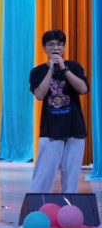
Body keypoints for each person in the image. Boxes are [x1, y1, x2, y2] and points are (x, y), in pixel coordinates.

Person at [29, 29, 89, 193]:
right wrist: (50, 70)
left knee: (71, 178)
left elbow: (83, 89)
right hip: (51, 130)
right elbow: (40, 95)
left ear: (64, 48)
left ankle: (68, 207)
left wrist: (64, 68)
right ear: (44, 48)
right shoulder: (37, 71)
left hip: (74, 129)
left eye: (59, 45)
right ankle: (36, 206)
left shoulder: (74, 67)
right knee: (43, 175)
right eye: (51, 45)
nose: (55, 48)